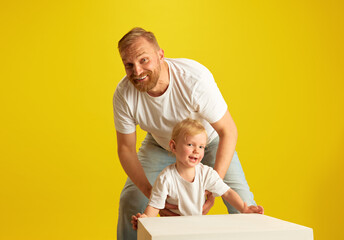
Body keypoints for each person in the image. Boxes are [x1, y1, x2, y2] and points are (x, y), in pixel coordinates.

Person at [113, 27, 256, 240]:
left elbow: (228, 130)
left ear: (160, 55)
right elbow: (125, 148)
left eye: (144, 60)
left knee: (243, 205)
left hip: (209, 141)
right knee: (131, 202)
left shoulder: (193, 79)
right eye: (129, 65)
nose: (137, 71)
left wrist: (210, 189)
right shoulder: (124, 94)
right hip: (161, 142)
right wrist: (153, 195)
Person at [131, 119, 264, 230]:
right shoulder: (166, 178)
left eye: (201, 147)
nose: (196, 151)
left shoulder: (206, 174)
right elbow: (155, 205)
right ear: (173, 147)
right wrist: (145, 220)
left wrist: (244, 207)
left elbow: (227, 192)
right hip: (174, 228)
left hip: (197, 227)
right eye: (190, 144)